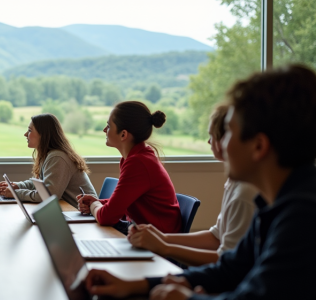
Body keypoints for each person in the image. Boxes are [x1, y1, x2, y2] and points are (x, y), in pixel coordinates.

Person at [84, 64, 316, 300]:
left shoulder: (301, 216)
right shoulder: (272, 202)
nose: (221, 145)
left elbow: (255, 296)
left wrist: (186, 298)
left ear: (258, 146)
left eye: (229, 133)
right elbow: (230, 268)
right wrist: (137, 285)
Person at [127, 105, 257, 267]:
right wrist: (161, 237)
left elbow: (229, 265)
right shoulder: (234, 182)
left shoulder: (245, 193)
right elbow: (216, 237)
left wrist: (165, 248)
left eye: (213, 135)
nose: (209, 141)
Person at [77, 101, 182, 234]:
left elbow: (106, 218)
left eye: (108, 126)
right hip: (143, 233)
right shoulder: (137, 157)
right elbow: (127, 202)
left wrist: (94, 205)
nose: (104, 130)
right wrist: (99, 203)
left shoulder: (138, 163)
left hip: (156, 241)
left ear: (123, 135)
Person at [0, 114, 96, 208]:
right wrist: (18, 186)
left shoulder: (57, 157)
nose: (25, 134)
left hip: (80, 214)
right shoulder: (49, 155)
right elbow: (41, 183)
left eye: (30, 130)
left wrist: (15, 193)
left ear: (43, 134)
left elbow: (48, 195)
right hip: (69, 211)